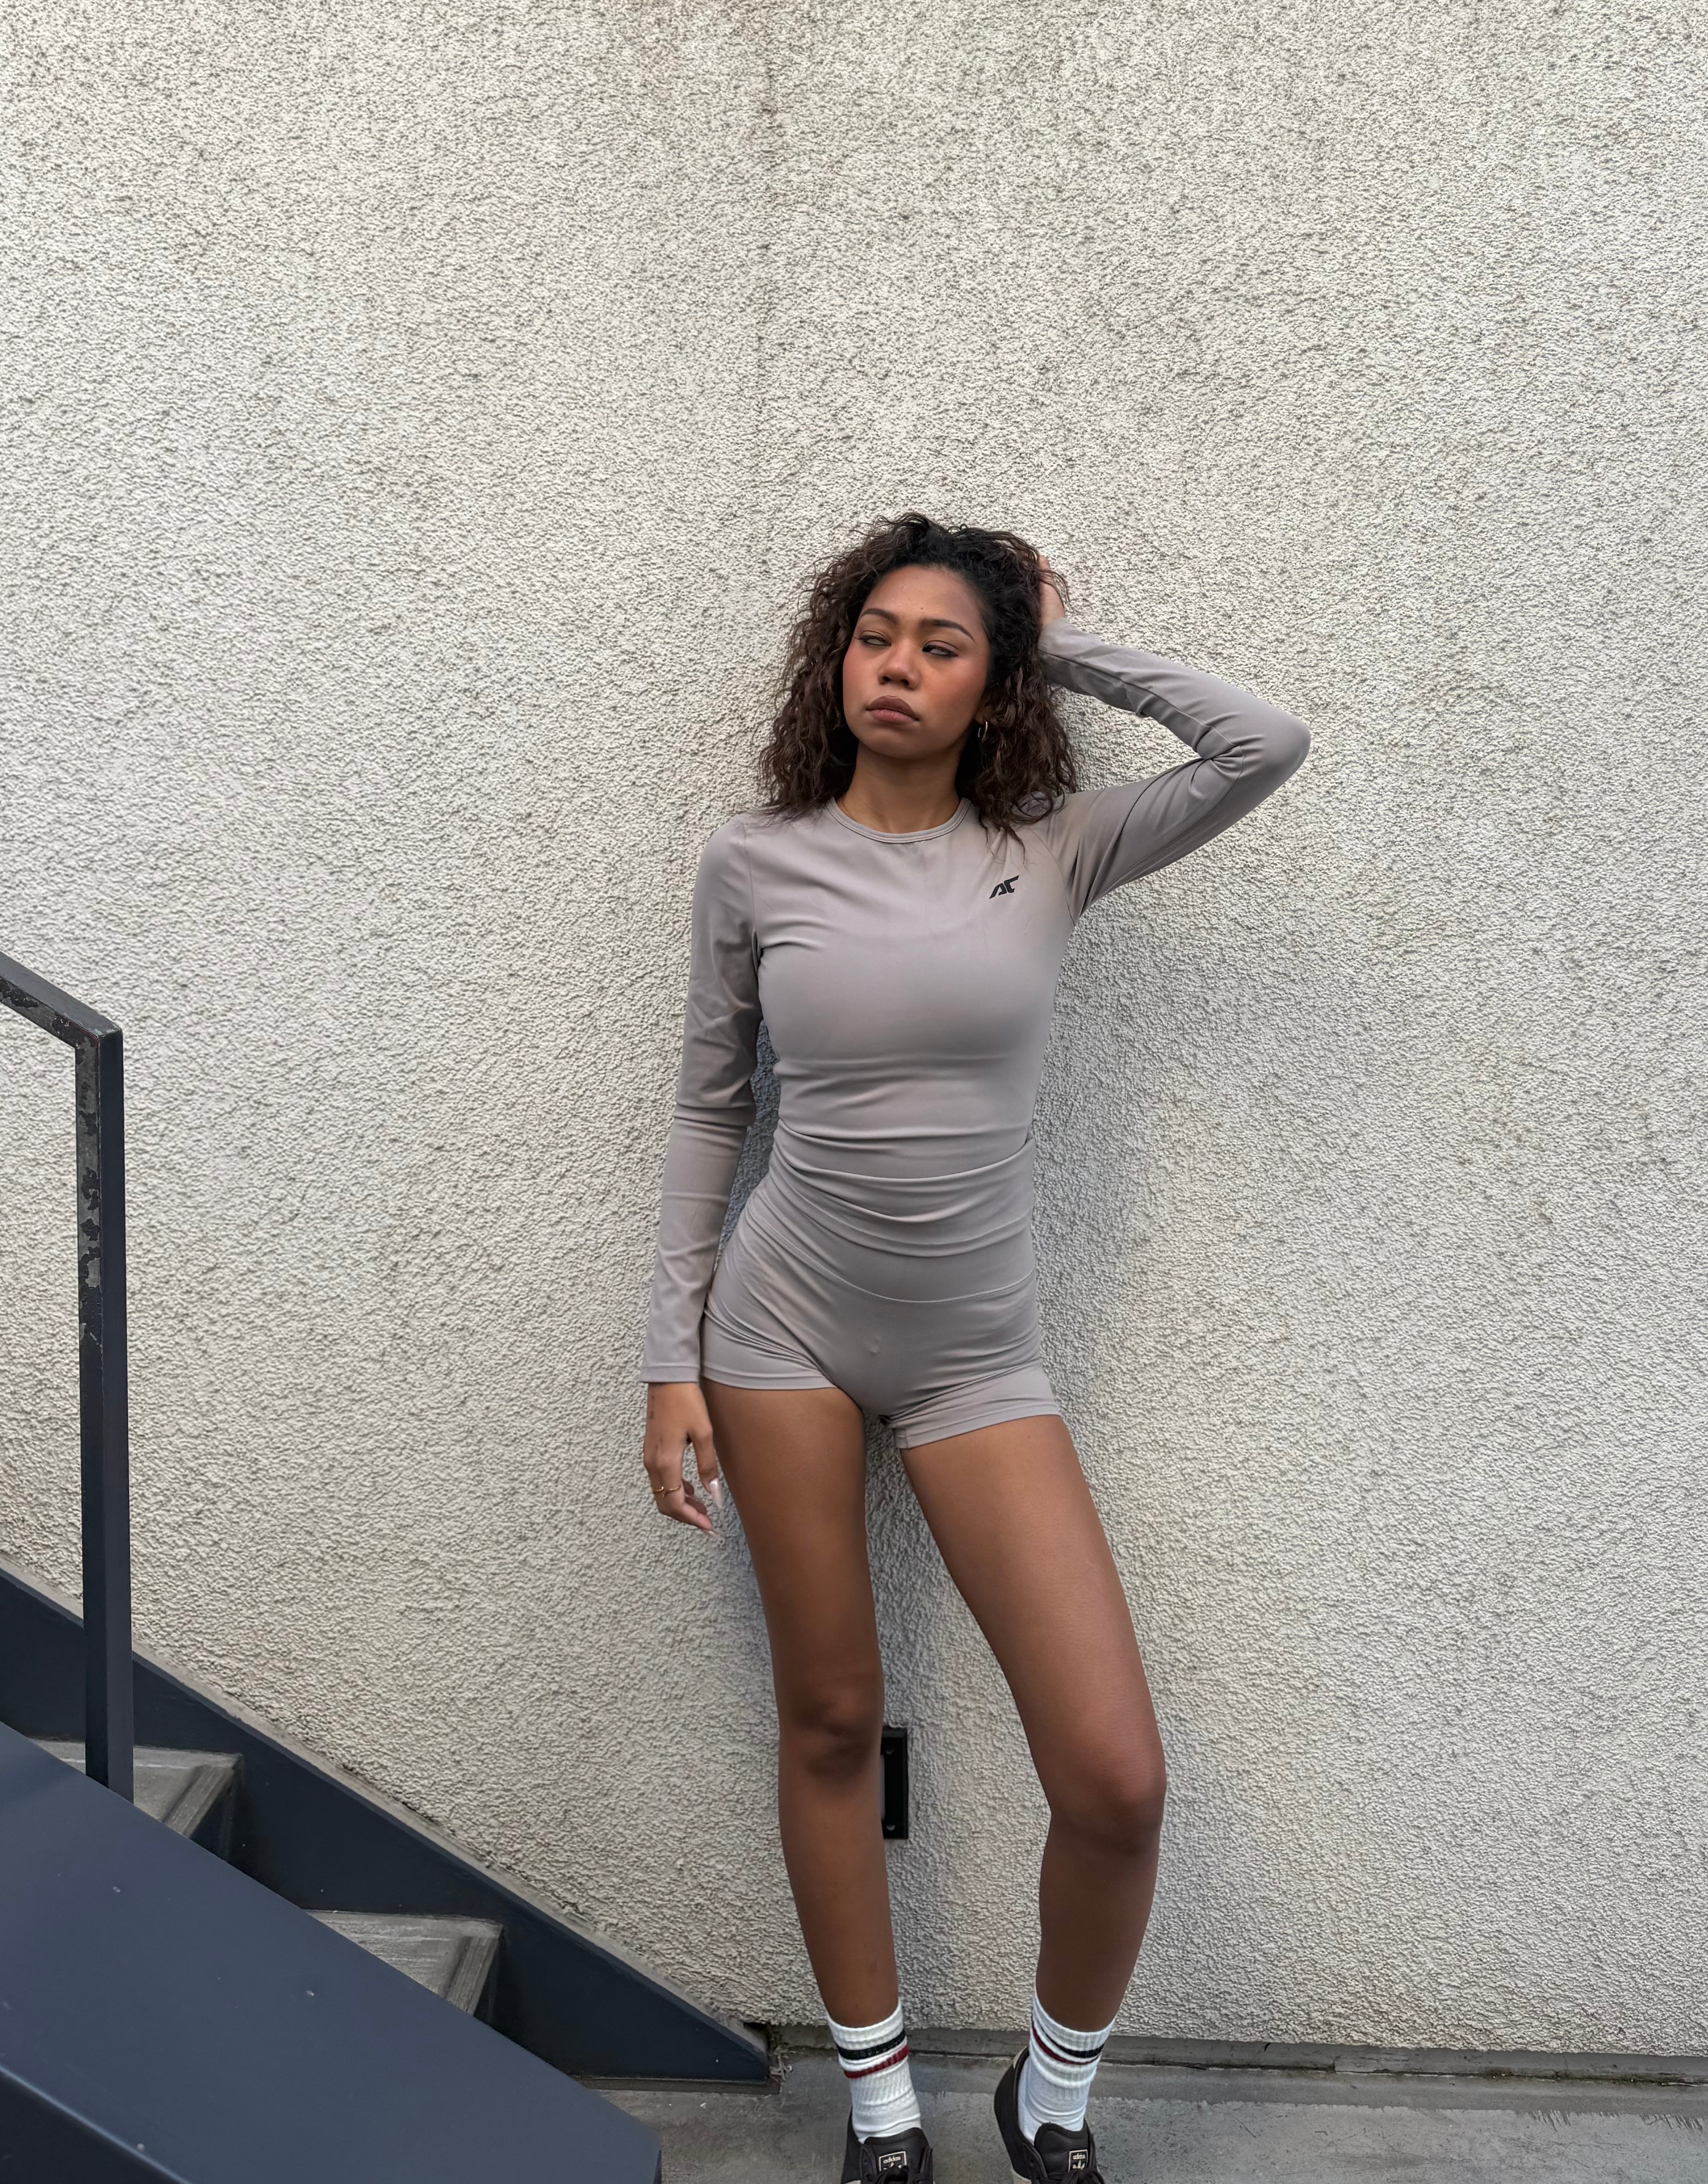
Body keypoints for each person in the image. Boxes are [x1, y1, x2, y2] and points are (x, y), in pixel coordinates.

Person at [641, 513, 1310, 2184]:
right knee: (829, 1718)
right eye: (875, 635)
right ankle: (877, 2106)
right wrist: (669, 1362)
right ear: (835, 658)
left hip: (974, 1360)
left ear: (991, 681)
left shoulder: (1055, 848)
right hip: (781, 1331)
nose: (897, 667)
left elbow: (1261, 744)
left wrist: (1059, 636)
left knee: (1114, 1776)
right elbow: (710, 1109)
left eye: (943, 645)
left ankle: (1051, 2093)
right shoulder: (757, 862)